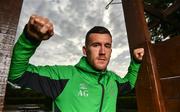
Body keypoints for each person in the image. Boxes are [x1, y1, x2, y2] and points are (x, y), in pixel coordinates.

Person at [8, 15, 144, 112]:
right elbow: (16, 74)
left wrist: (136, 62)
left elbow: (129, 84)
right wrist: (29, 40)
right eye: (96, 45)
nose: (103, 51)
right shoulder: (63, 76)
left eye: (107, 46)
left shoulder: (113, 80)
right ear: (85, 50)